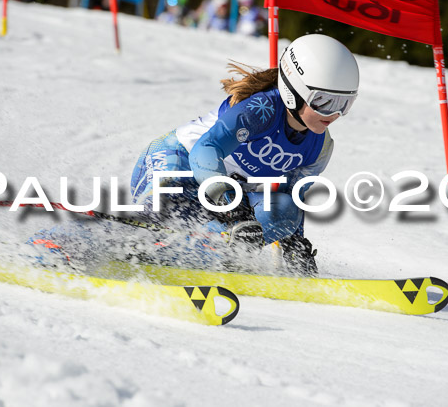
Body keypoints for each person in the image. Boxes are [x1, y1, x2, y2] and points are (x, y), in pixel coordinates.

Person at [129, 34, 360, 276]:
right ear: (295, 92)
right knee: (168, 208)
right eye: (324, 101)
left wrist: (294, 244)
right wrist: (233, 206)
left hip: (224, 196)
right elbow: (205, 151)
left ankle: (200, 256)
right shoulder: (262, 110)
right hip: (176, 160)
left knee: (284, 211)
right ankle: (123, 240)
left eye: (345, 103)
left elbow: (292, 198)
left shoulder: (319, 147)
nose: (334, 114)